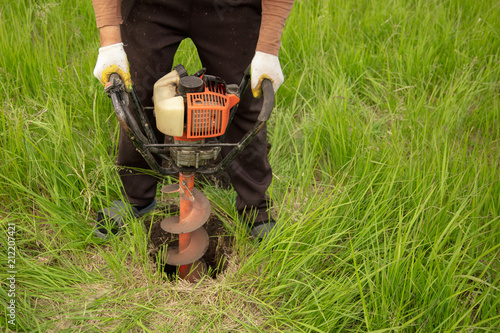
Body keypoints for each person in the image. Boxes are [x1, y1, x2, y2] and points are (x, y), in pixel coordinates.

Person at [91, 0, 294, 240]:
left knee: (245, 101)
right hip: (150, 6)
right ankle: (136, 198)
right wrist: (110, 42)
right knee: (136, 98)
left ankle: (254, 208)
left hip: (231, 8)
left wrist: (268, 49)